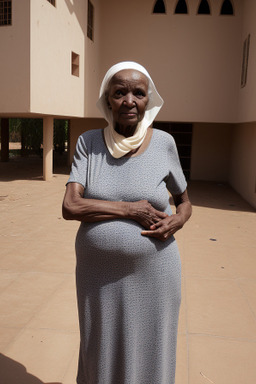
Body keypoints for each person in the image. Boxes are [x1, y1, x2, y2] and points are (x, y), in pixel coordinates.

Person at [62, 61, 192, 384]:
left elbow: (185, 203)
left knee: (152, 348)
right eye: (119, 93)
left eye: (138, 93)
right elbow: (70, 205)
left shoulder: (164, 144)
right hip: (98, 277)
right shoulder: (88, 143)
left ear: (149, 100)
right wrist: (128, 210)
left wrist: (175, 222)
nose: (129, 101)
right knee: (100, 347)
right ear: (107, 100)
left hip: (156, 274)